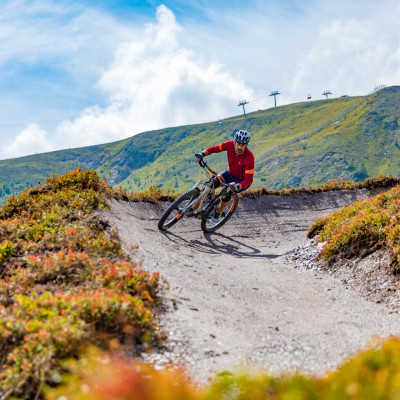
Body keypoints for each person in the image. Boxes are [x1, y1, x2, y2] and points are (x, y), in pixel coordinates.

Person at [194, 129, 254, 223]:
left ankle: (219, 212)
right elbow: (214, 148)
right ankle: (192, 209)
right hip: (229, 173)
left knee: (226, 192)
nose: (239, 147)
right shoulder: (229, 145)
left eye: (242, 145)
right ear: (234, 142)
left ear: (246, 145)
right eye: (238, 143)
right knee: (210, 183)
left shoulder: (249, 157)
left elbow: (249, 180)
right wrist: (202, 154)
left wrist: (238, 186)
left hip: (240, 181)